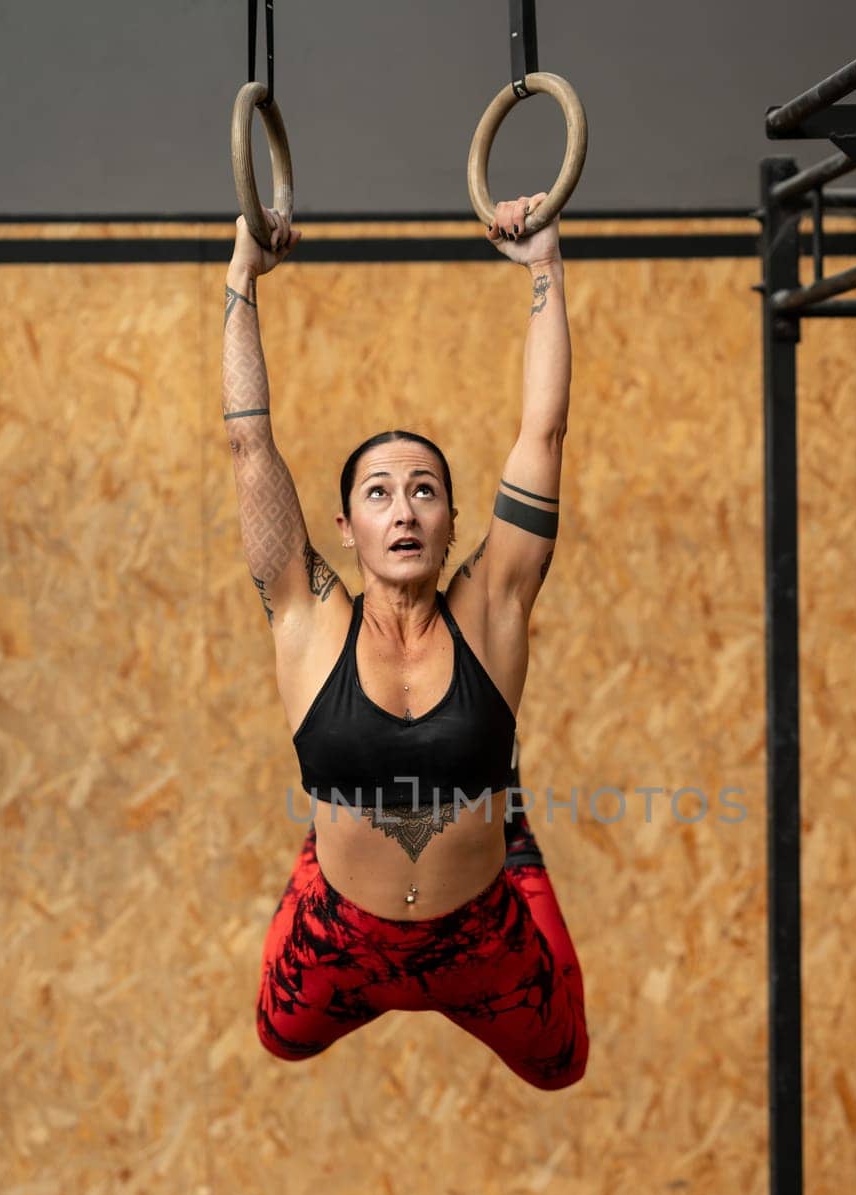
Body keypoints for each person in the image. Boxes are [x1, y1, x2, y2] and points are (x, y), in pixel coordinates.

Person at [222, 197, 588, 1091]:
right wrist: (241, 277)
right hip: (339, 935)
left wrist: (545, 267)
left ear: (454, 520)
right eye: (379, 494)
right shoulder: (306, 618)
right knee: (281, 1039)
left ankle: (514, 841)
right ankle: (336, 846)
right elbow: (248, 445)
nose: (403, 510)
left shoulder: (493, 603)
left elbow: (542, 434)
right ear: (344, 526)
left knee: (561, 1067)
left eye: (424, 490)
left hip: (481, 934)